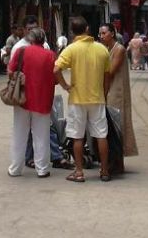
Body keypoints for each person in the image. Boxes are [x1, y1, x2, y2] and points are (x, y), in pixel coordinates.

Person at [55, 16, 112, 183]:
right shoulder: (102, 49)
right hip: (97, 98)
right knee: (101, 135)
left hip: (77, 99)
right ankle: (104, 170)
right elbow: (107, 76)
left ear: (72, 31)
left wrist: (65, 86)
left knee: (77, 137)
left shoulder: (71, 49)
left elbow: (56, 69)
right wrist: (105, 93)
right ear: (87, 28)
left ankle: (79, 172)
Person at [7, 28, 57, 178]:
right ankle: (42, 169)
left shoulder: (21, 51)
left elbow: (10, 72)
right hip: (43, 100)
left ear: (30, 39)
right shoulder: (50, 55)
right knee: (42, 135)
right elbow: (56, 77)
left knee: (19, 134)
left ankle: (15, 169)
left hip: (22, 99)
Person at [99, 22, 138, 174]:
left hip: (116, 91)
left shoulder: (119, 49)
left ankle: (118, 162)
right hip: (108, 89)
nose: (101, 36)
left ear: (112, 34)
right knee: (110, 127)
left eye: (104, 33)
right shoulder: (105, 49)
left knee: (117, 126)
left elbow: (110, 71)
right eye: (100, 34)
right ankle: (112, 160)